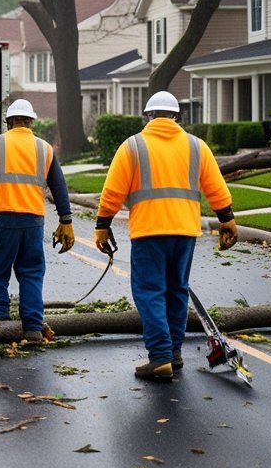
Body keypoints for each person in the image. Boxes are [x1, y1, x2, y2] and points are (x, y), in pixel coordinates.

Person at [94, 90, 238, 382]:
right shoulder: (197, 147)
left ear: (148, 116)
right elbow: (216, 187)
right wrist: (227, 220)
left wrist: (102, 224)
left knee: (150, 292)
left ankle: (159, 357)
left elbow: (112, 192)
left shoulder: (132, 146)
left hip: (149, 232)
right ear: (176, 116)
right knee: (176, 291)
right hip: (185, 232)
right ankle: (173, 353)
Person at [0, 98, 74, 343]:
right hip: (33, 222)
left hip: (4, 219)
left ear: (9, 122)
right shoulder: (44, 149)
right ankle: (34, 328)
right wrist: (65, 219)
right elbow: (59, 186)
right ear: (31, 122)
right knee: (32, 272)